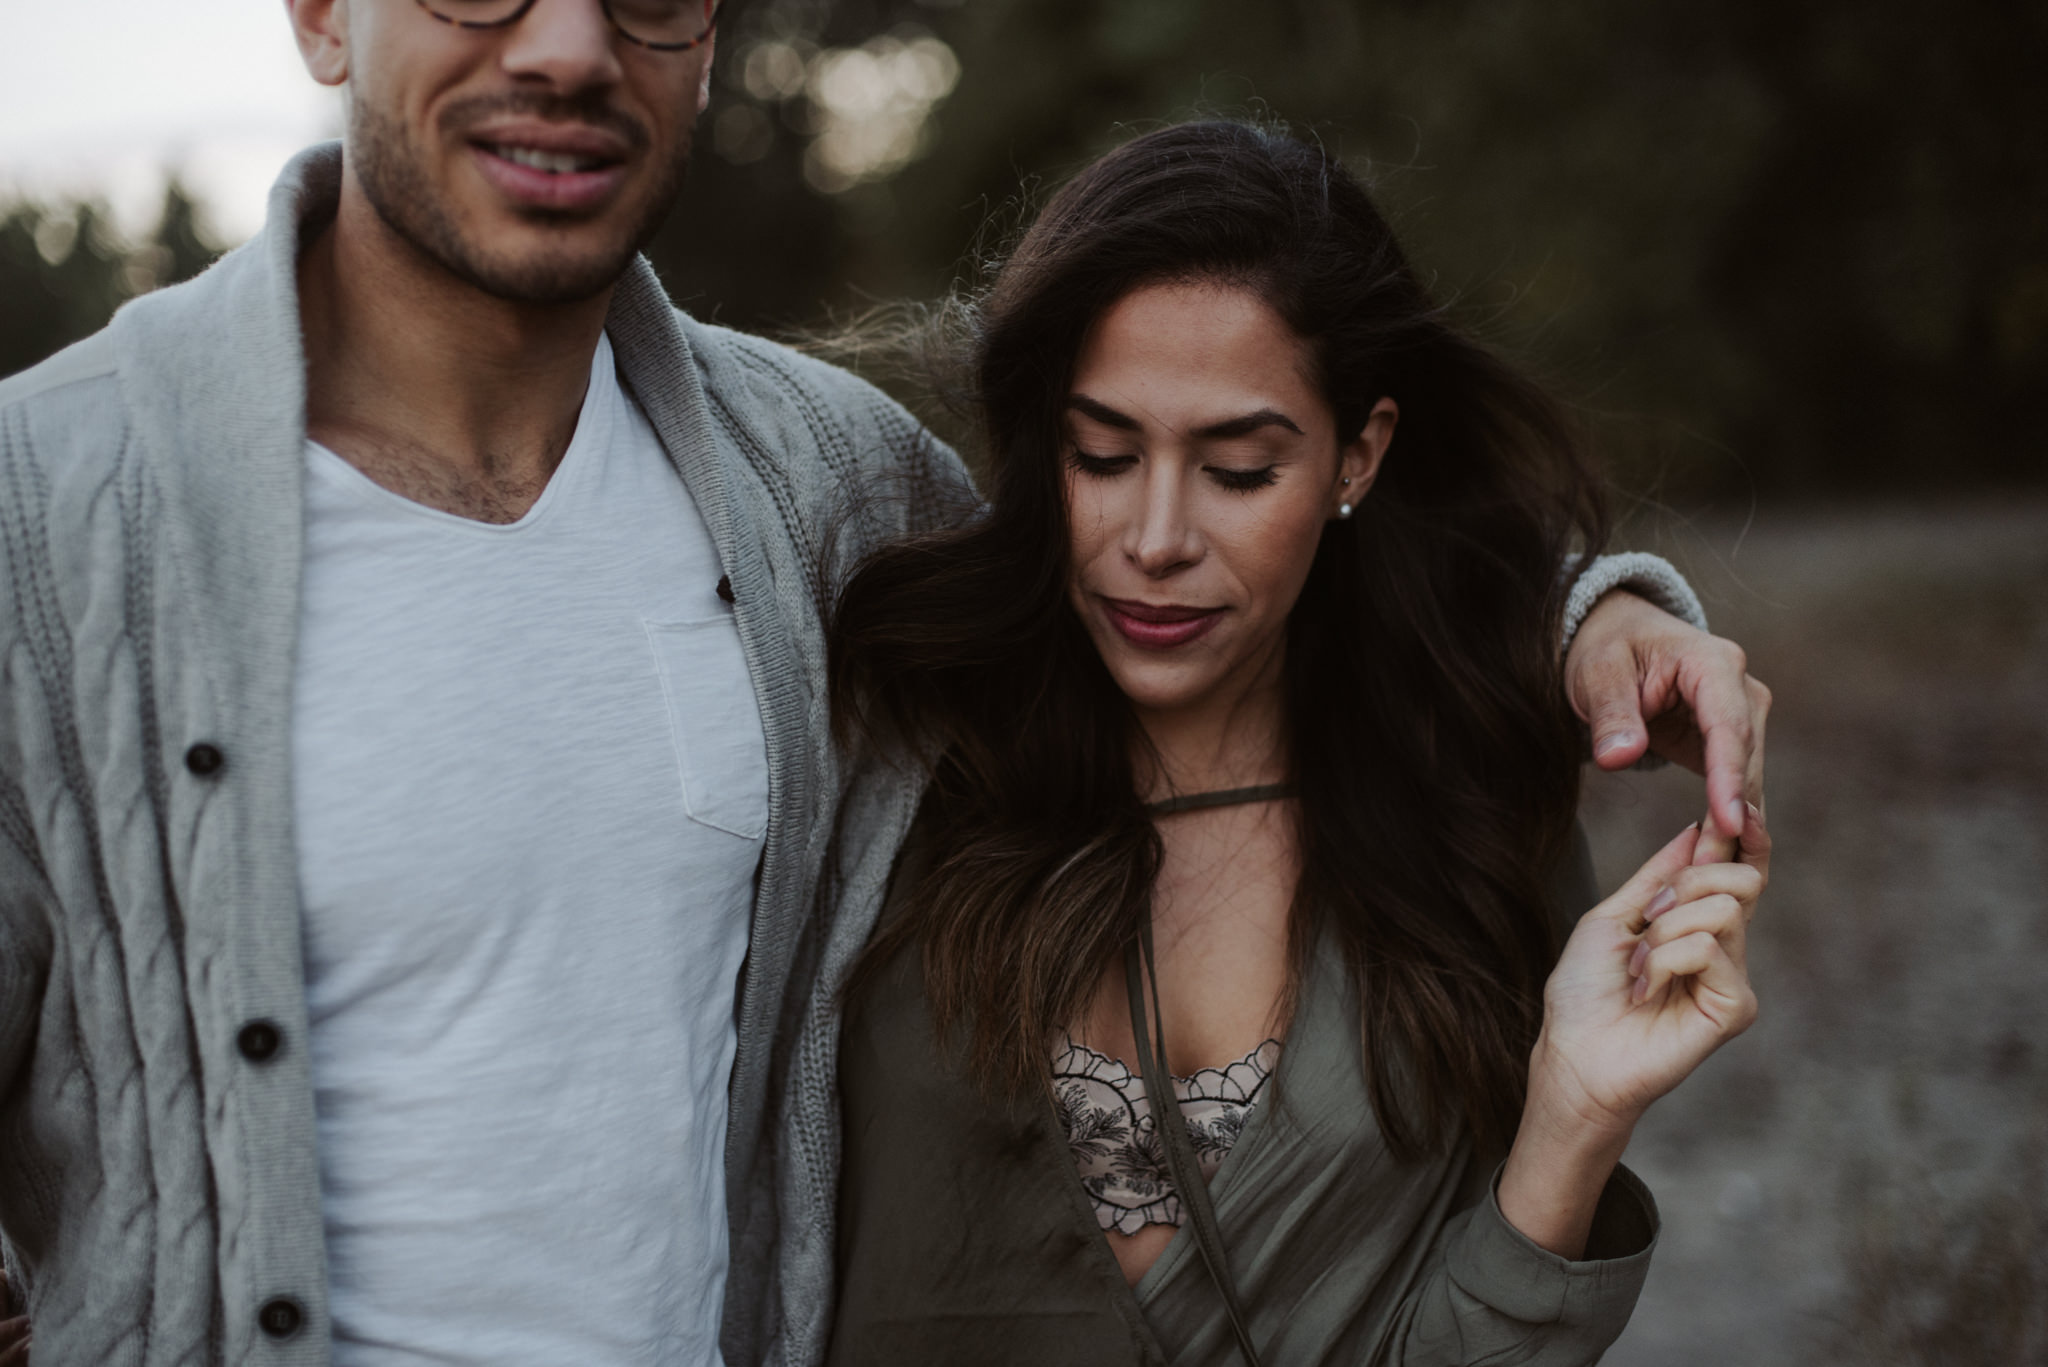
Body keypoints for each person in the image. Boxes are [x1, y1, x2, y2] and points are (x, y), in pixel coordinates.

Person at [0, 3, 1764, 1364]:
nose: (564, 46)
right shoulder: (52, 518)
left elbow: (1269, 550)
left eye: (647, 0)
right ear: (317, 16)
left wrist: (1591, 617)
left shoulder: (810, 491)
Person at [821, 121, 1771, 1365]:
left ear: (1355, 456)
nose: (1153, 535)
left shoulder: (1467, 817)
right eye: (1100, 453)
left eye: (1237, 469)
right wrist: (1598, 604)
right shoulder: (900, 758)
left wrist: (1572, 1120)